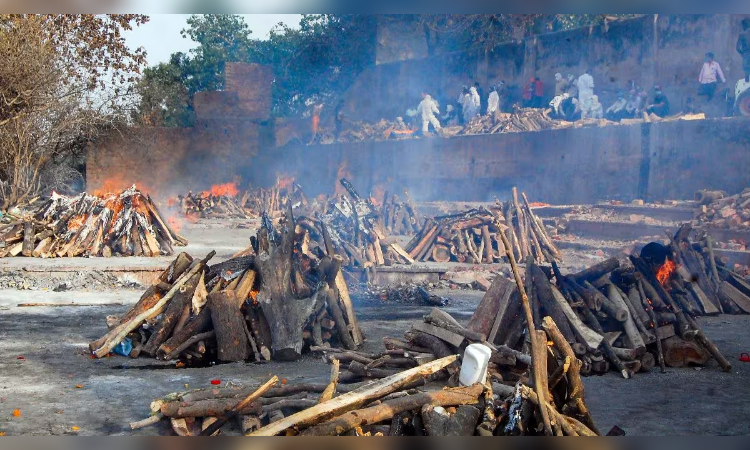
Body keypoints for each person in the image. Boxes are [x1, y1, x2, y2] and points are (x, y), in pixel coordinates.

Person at [737, 18, 750, 82]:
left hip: (746, 54)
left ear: (744, 25)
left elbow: (737, 48)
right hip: (746, 54)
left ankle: (747, 84)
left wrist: (742, 53)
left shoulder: (742, 34)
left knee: (747, 71)